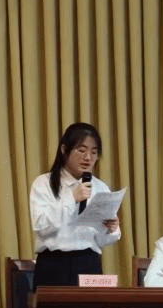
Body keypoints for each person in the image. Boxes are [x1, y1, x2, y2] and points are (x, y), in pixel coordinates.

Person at [30, 122, 121, 288]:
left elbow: (101, 240)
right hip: (53, 265)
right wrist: (71, 198)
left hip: (89, 263)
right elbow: (42, 226)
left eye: (94, 152)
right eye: (82, 150)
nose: (88, 158)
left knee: (94, 307)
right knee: (53, 306)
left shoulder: (100, 187)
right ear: (64, 150)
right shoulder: (43, 183)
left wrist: (111, 228)